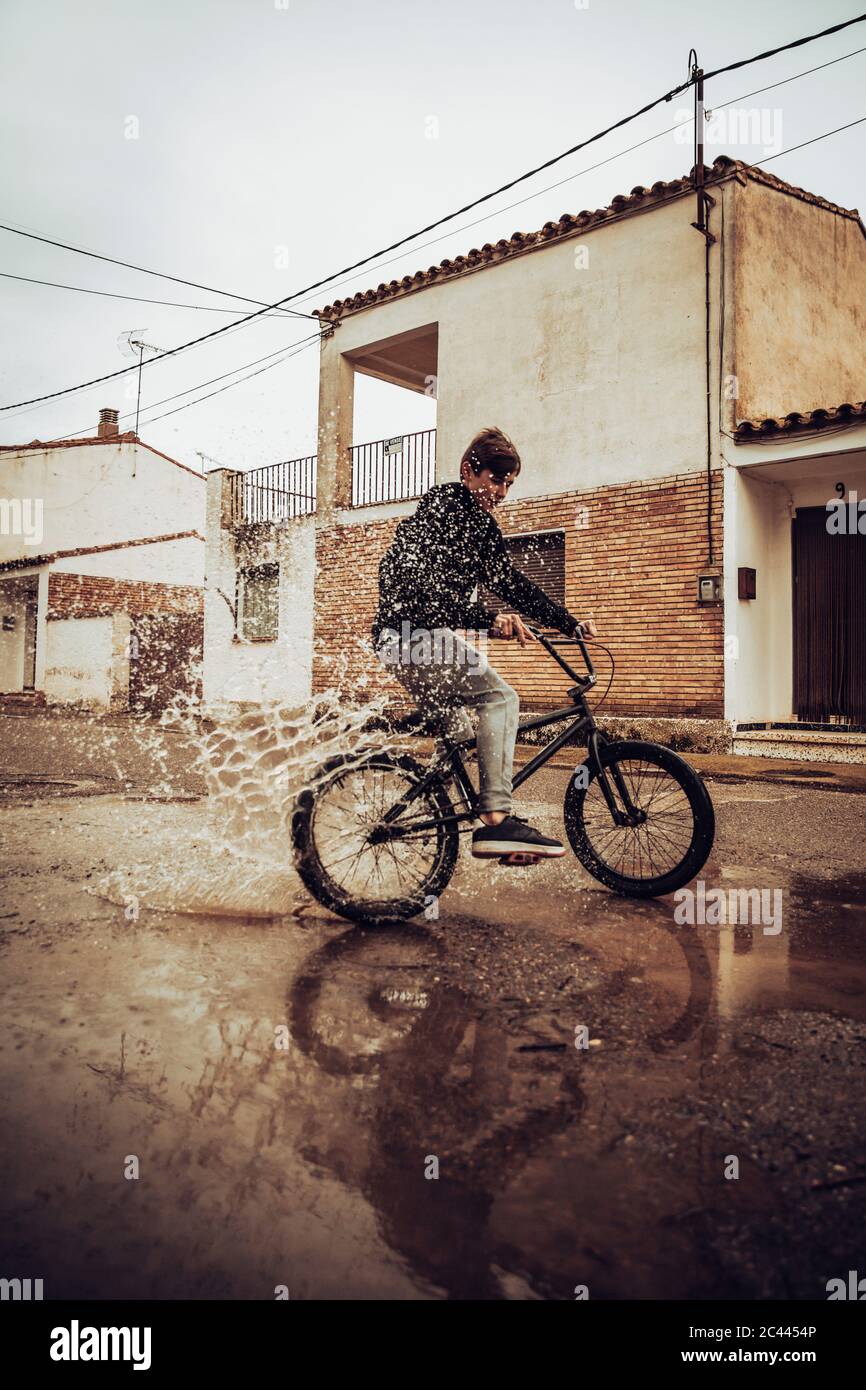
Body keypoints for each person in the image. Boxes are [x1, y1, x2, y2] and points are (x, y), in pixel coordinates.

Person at [371, 426, 597, 861]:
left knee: (457, 732)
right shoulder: (441, 512)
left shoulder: (481, 528)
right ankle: (495, 820)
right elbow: (421, 593)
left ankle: (427, 818)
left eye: (509, 484)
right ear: (468, 471)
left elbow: (512, 584)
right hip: (407, 636)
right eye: (495, 480)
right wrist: (488, 620)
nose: (502, 492)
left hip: (412, 638)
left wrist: (568, 623)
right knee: (500, 698)